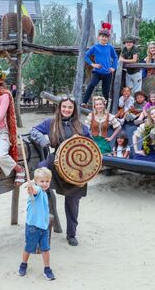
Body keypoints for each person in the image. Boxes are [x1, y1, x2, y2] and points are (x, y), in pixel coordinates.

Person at [30, 96, 91, 246]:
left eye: (70, 107)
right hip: (56, 160)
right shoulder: (51, 123)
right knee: (40, 169)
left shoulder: (81, 127)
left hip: (75, 168)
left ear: (74, 110)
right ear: (59, 108)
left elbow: (91, 146)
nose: (67, 110)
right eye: (64, 107)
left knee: (73, 201)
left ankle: (71, 234)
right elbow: (33, 130)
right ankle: (39, 219)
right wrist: (43, 141)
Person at [18, 167, 56, 280]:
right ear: (36, 182)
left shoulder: (44, 193)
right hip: (33, 227)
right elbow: (33, 191)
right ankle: (23, 264)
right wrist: (31, 187)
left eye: (47, 181)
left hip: (44, 227)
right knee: (29, 248)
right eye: (42, 181)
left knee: (46, 249)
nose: (44, 184)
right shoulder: (38, 191)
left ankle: (47, 269)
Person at [81, 23, 118, 107]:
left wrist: (113, 67)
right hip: (97, 72)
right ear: (99, 37)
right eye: (102, 36)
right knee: (91, 85)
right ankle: (84, 102)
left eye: (106, 37)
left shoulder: (110, 47)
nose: (104, 38)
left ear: (108, 38)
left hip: (107, 73)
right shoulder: (95, 47)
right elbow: (85, 55)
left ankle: (105, 108)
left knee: (105, 91)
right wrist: (92, 64)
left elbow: (115, 57)